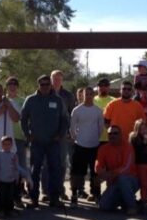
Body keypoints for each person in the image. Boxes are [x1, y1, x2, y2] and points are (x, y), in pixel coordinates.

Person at [21, 74, 68, 209]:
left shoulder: (58, 100)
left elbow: (65, 119)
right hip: (36, 142)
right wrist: (27, 134)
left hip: (53, 142)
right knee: (34, 171)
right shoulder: (31, 100)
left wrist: (60, 134)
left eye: (47, 84)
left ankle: (54, 198)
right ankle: (33, 198)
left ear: (51, 85)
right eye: (42, 84)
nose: (45, 87)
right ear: (38, 85)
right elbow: (23, 119)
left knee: (55, 170)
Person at [69, 86, 104, 206]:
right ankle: (74, 194)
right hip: (80, 146)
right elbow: (72, 127)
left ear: (93, 95)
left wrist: (94, 138)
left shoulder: (98, 111)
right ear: (82, 95)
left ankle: (96, 194)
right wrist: (75, 138)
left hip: (94, 146)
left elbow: (100, 128)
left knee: (95, 173)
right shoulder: (77, 110)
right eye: (86, 94)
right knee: (76, 173)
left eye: (90, 94)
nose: (88, 96)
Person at [95, 125, 140, 214]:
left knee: (122, 178)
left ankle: (132, 206)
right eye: (110, 133)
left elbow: (126, 167)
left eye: (115, 133)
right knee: (103, 205)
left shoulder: (128, 147)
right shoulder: (103, 148)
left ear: (120, 134)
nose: (112, 135)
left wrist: (110, 174)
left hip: (130, 180)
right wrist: (100, 173)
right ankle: (124, 200)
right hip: (114, 182)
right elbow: (98, 164)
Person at [47, 70, 75, 200]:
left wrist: (69, 131)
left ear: (62, 80)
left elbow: (71, 115)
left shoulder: (68, 95)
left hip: (63, 134)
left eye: (59, 79)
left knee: (62, 163)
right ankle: (47, 191)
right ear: (51, 79)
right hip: (47, 134)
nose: (56, 81)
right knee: (46, 163)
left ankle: (60, 189)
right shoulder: (45, 92)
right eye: (54, 78)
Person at [0, 135, 32, 217]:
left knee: (10, 196)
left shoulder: (14, 155)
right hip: (2, 180)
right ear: (1, 145)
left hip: (11, 180)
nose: (6, 146)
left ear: (11, 145)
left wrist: (16, 177)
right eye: (4, 144)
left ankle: (9, 210)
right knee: (2, 196)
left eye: (8, 144)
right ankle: (1, 210)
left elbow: (16, 167)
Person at [129, 118, 147, 208]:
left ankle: (145, 198)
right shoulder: (134, 138)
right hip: (140, 164)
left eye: (145, 128)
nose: (144, 131)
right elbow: (138, 152)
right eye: (141, 129)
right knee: (143, 183)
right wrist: (144, 143)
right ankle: (143, 201)